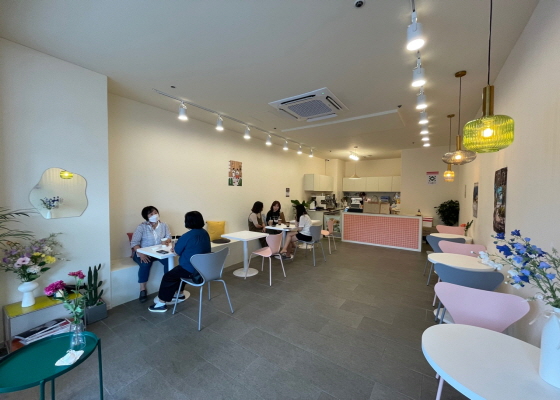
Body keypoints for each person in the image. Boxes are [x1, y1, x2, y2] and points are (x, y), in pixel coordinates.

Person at [149, 211, 211, 312]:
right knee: (178, 273)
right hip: (204, 268)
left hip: (192, 270)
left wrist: (175, 247)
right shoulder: (205, 233)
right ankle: (180, 293)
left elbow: (177, 252)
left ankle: (161, 303)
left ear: (187, 222)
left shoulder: (187, 236)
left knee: (168, 276)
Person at [131, 206, 172, 303]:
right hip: (143, 252)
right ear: (146, 216)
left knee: (169, 262)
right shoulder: (141, 227)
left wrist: (166, 241)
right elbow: (134, 243)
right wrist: (141, 253)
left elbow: (169, 237)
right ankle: (142, 289)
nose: (154, 215)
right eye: (151, 214)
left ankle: (168, 286)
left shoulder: (164, 225)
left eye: (155, 212)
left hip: (158, 252)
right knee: (145, 264)